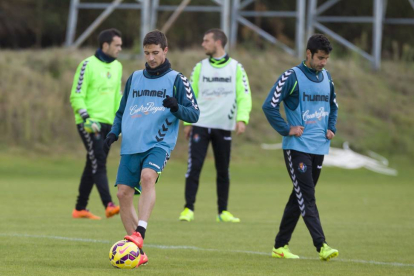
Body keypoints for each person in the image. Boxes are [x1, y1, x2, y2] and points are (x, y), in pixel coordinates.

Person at [103, 30, 199, 266]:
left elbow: (194, 113)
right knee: (123, 194)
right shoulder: (135, 77)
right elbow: (122, 111)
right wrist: (114, 132)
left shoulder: (178, 79)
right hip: (131, 145)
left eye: (155, 53)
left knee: (148, 177)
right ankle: (138, 252)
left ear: (165, 51)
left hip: (159, 143)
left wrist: (177, 107)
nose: (151, 58)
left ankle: (140, 233)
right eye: (147, 53)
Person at [262, 34, 339, 261]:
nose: (324, 62)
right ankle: (321, 245)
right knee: (307, 196)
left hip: (319, 148)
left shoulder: (327, 77)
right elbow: (269, 106)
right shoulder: (292, 76)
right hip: (297, 147)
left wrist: (331, 127)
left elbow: (333, 106)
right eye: (320, 58)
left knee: (299, 197)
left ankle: (280, 245)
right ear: (308, 54)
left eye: (326, 59)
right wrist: (287, 129)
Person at [178, 28, 252, 223]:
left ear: (218, 42)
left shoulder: (236, 68)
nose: (203, 44)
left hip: (223, 126)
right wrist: (188, 122)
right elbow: (189, 95)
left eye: (206, 41)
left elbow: (244, 95)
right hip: (200, 125)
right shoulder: (200, 67)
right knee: (194, 167)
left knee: (223, 169)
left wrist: (242, 118)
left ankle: (223, 212)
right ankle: (188, 209)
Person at [69, 28, 123, 220]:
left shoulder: (118, 67)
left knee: (92, 164)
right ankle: (108, 204)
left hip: (108, 124)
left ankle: (80, 208)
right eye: (117, 45)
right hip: (90, 124)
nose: (120, 49)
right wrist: (85, 118)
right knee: (98, 162)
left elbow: (118, 97)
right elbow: (76, 94)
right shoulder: (87, 65)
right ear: (105, 45)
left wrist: (121, 122)